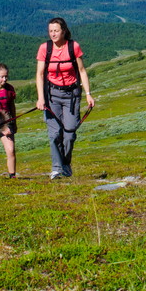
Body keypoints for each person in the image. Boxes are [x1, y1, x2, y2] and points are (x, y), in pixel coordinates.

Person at [36, 17, 95, 179]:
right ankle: (56, 168)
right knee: (54, 134)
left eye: (56, 31)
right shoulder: (44, 48)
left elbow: (82, 71)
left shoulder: (73, 47)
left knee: (69, 134)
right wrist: (40, 98)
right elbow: (40, 74)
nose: (53, 34)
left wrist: (88, 94)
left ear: (63, 31)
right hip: (51, 96)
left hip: (72, 96)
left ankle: (66, 163)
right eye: (50, 31)